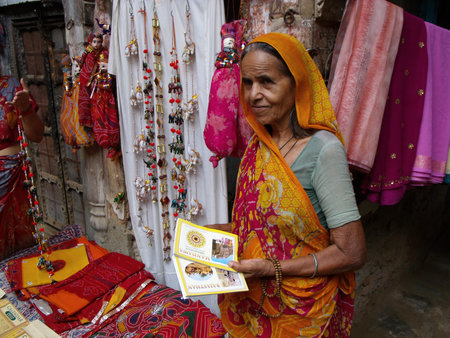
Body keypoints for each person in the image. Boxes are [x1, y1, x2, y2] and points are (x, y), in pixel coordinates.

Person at [206, 33, 366, 337]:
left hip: (300, 312)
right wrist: (209, 234)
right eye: (248, 83)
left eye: (267, 82)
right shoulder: (259, 145)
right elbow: (265, 224)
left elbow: (351, 252)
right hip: (252, 306)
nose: (253, 95)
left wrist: (272, 269)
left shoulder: (323, 151)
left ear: (296, 84)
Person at [0, 65, 44, 259]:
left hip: (12, 181)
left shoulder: (12, 88)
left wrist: (25, 109)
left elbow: (36, 135)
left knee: (21, 257)